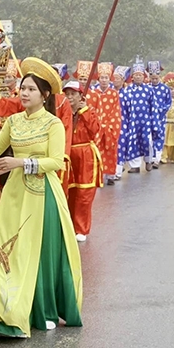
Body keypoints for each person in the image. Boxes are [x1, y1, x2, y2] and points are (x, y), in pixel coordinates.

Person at [0, 57, 83, 340]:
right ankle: (5, 309)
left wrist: (22, 164)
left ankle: (44, 310)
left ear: (45, 95)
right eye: (22, 88)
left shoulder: (53, 125)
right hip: (15, 195)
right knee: (9, 249)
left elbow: (56, 162)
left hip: (42, 193)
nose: (24, 93)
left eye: (31, 89)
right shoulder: (13, 122)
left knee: (39, 251)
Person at [63, 80, 102, 242]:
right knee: (69, 191)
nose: (70, 97)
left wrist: (84, 110)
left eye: (73, 94)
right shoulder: (63, 112)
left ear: (81, 96)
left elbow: (95, 130)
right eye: (67, 94)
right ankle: (69, 225)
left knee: (84, 194)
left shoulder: (89, 111)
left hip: (85, 155)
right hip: (68, 155)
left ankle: (81, 228)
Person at [90, 63, 121, 185]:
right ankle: (98, 174)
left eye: (106, 78)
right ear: (98, 79)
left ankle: (110, 175)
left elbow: (116, 112)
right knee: (97, 151)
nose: (104, 80)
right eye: (101, 78)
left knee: (110, 150)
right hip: (97, 126)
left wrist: (108, 126)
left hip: (110, 126)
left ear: (110, 79)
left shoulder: (114, 94)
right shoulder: (93, 93)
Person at [123, 61, 156, 173]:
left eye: (140, 75)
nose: (138, 77)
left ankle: (148, 160)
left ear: (143, 77)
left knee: (147, 141)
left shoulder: (149, 89)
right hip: (132, 121)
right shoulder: (127, 90)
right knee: (133, 141)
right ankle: (135, 165)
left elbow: (153, 107)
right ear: (132, 77)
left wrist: (154, 121)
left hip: (146, 121)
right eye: (136, 75)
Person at [147, 61, 172, 168]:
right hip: (148, 118)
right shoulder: (147, 88)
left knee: (159, 137)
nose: (154, 80)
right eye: (152, 79)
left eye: (156, 78)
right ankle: (150, 158)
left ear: (160, 77)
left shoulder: (165, 89)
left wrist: (160, 111)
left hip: (160, 117)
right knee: (149, 137)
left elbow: (168, 102)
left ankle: (157, 159)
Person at [112, 66, 131, 180]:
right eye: (113, 78)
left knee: (120, 146)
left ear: (123, 80)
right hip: (110, 123)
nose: (115, 80)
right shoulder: (109, 93)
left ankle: (118, 171)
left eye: (117, 78)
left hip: (123, 123)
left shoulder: (127, 95)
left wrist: (129, 127)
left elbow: (130, 112)